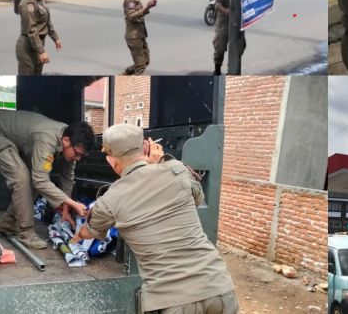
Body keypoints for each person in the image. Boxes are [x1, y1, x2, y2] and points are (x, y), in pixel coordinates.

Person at [73, 124, 238, 314]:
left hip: (172, 301)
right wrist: (161, 162)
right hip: (219, 288)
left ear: (111, 160)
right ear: (146, 147)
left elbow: (89, 232)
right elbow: (198, 198)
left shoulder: (109, 200)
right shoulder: (176, 171)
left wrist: (78, 234)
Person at [0, 110, 94, 250]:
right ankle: (26, 232)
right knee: (22, 178)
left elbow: (67, 179)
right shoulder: (47, 138)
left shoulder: (71, 141)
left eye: (81, 157)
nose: (77, 159)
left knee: (34, 181)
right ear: (66, 141)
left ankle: (9, 223)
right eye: (77, 154)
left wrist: (65, 211)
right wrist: (73, 203)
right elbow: (40, 180)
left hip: (15, 137)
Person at [14, 0, 61, 75]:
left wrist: (55, 38)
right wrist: (41, 51)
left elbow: (46, 21)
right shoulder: (28, 2)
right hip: (28, 48)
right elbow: (31, 30)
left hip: (36, 45)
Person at [121, 0, 156, 75]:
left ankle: (125, 74)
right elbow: (131, 16)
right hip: (134, 37)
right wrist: (147, 8)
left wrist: (148, 7)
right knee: (141, 66)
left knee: (145, 61)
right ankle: (128, 80)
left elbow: (137, 14)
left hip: (139, 35)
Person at [213, 0, 246, 76]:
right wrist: (227, 11)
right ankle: (217, 69)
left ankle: (232, 70)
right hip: (224, 21)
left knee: (239, 46)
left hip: (238, 22)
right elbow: (217, 5)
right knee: (220, 46)